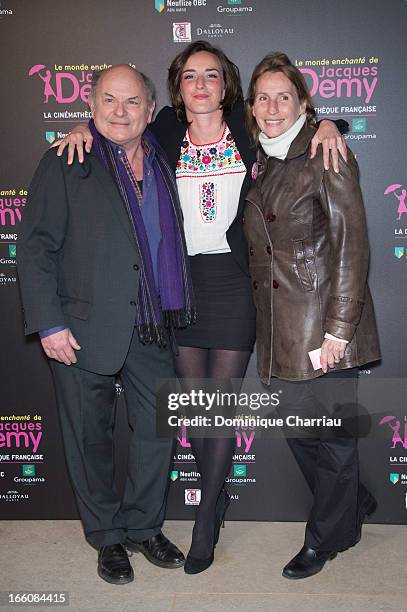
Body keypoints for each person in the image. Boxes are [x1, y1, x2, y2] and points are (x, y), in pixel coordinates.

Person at [55, 41, 347, 575]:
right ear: (177, 85)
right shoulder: (164, 129)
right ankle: (213, 501)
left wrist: (328, 123)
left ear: (225, 84)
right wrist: (82, 128)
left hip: (236, 283)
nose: (201, 84)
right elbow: (114, 130)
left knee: (218, 403)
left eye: (212, 75)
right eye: (190, 75)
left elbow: (289, 119)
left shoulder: (247, 125)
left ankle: (206, 518)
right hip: (180, 285)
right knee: (195, 407)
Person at [18, 65, 195, 585]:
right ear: (90, 107)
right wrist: (48, 324)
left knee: (157, 433)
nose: (121, 111)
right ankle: (107, 537)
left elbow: (235, 113)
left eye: (133, 101)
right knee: (89, 437)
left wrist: (325, 125)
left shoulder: (164, 153)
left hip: (151, 321)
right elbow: (35, 248)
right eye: (110, 101)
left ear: (149, 108)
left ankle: (143, 526)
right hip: (81, 324)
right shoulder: (68, 159)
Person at [244, 52, 381, 579]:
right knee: (301, 432)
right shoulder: (262, 158)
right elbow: (169, 122)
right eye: (263, 98)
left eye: (285, 96)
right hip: (280, 332)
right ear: (252, 109)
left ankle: (327, 537)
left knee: (334, 439)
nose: (274, 107)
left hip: (326, 327)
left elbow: (353, 246)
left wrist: (339, 331)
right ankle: (352, 504)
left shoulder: (327, 152)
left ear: (304, 102)